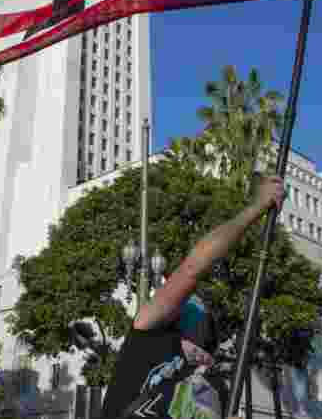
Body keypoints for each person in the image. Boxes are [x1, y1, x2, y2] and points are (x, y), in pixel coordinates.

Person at [99, 173, 286, 419]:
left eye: (207, 344)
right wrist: (256, 208)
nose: (201, 350)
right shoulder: (146, 339)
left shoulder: (215, 387)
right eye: (194, 336)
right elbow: (194, 267)